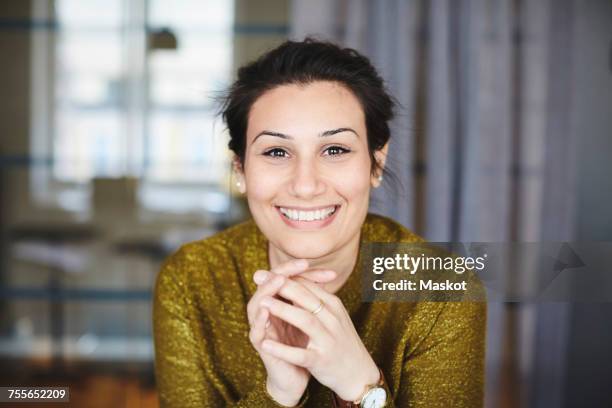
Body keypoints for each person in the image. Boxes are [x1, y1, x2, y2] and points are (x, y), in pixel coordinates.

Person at [153, 38, 486, 407]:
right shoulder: (192, 278)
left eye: (335, 150)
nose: (306, 185)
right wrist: (278, 393)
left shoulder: (440, 286)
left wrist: (361, 386)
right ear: (240, 169)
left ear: (376, 163)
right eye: (277, 152)